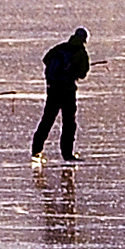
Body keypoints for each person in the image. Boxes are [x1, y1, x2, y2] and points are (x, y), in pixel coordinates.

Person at [31, 27, 90, 165]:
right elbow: (82, 73)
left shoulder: (60, 48)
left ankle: (36, 149)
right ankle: (67, 153)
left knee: (47, 120)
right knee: (69, 122)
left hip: (53, 89)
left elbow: (46, 59)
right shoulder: (80, 53)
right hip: (68, 91)